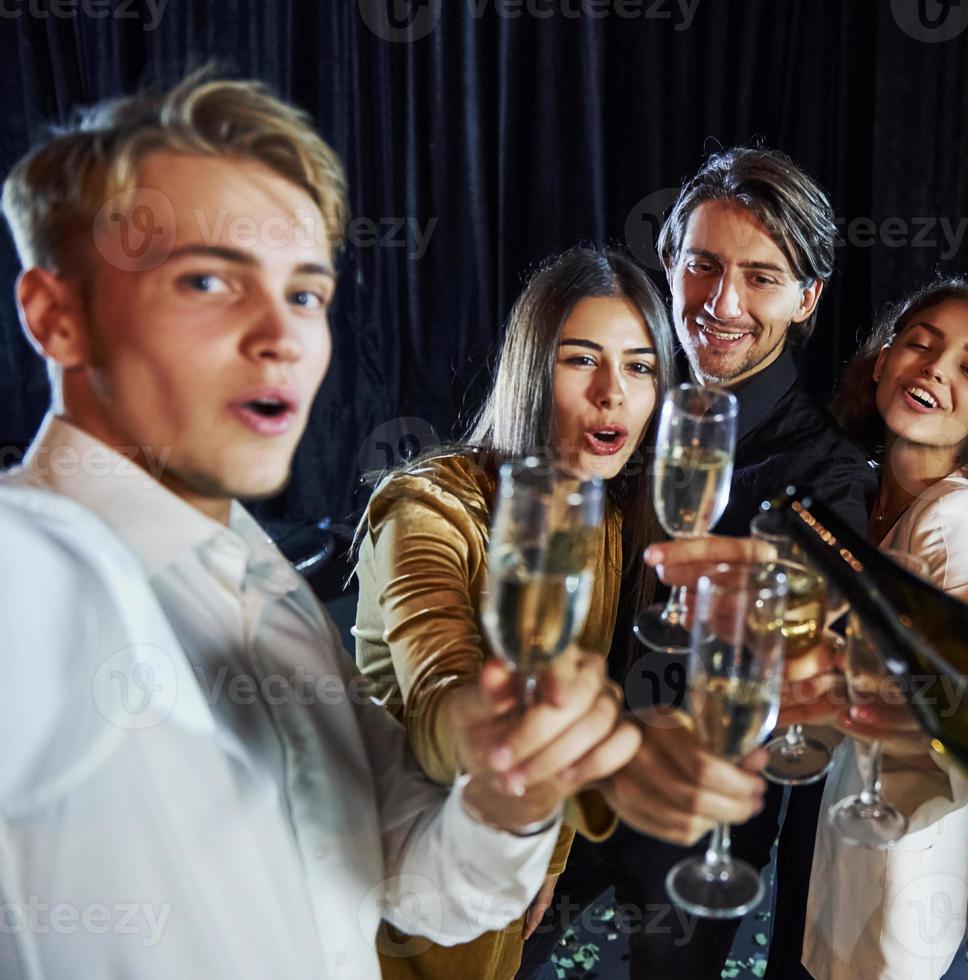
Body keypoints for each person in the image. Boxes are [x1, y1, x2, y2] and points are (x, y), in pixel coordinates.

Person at [0, 71, 639, 979]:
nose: (283, 334)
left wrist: (513, 791)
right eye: (210, 279)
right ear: (56, 316)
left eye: (304, 293)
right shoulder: (34, 561)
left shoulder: (262, 578)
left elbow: (414, 881)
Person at [520, 146, 877, 980]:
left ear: (806, 298)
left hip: (696, 805)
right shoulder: (621, 391)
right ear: (669, 263)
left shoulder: (827, 470)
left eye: (761, 276)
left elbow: (823, 613)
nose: (722, 303)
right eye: (704, 265)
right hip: (562, 767)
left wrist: (784, 601)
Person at [352, 246, 678, 979]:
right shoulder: (429, 507)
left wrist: (553, 856)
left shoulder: (602, 519)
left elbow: (571, 683)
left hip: (505, 852)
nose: (613, 394)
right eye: (581, 359)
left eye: (640, 366)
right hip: (396, 865)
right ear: (533, 368)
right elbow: (440, 698)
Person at [801, 275, 968, 979]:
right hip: (842, 850)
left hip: (902, 868)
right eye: (920, 345)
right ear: (882, 360)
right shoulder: (854, 495)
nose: (936, 370)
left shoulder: (957, 522)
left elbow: (952, 720)